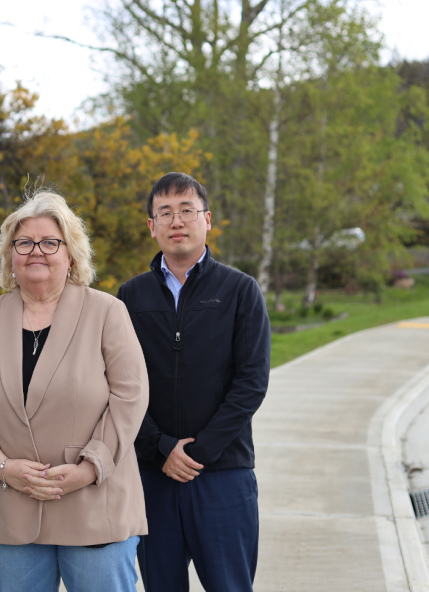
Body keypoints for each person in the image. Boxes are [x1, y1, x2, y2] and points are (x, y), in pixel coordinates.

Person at [0, 190, 149, 592]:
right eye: (24, 243)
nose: (36, 251)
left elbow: (130, 398)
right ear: (10, 256)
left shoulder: (107, 312)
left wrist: (89, 469)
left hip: (93, 500)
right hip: (7, 504)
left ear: (70, 253)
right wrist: (1, 465)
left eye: (50, 242)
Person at [116, 172, 271, 592]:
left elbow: (251, 383)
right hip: (152, 476)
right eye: (164, 212)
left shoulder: (240, 291)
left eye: (187, 210)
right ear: (152, 226)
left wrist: (198, 452)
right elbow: (119, 386)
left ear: (207, 220)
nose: (176, 220)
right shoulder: (129, 297)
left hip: (222, 476)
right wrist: (162, 448)